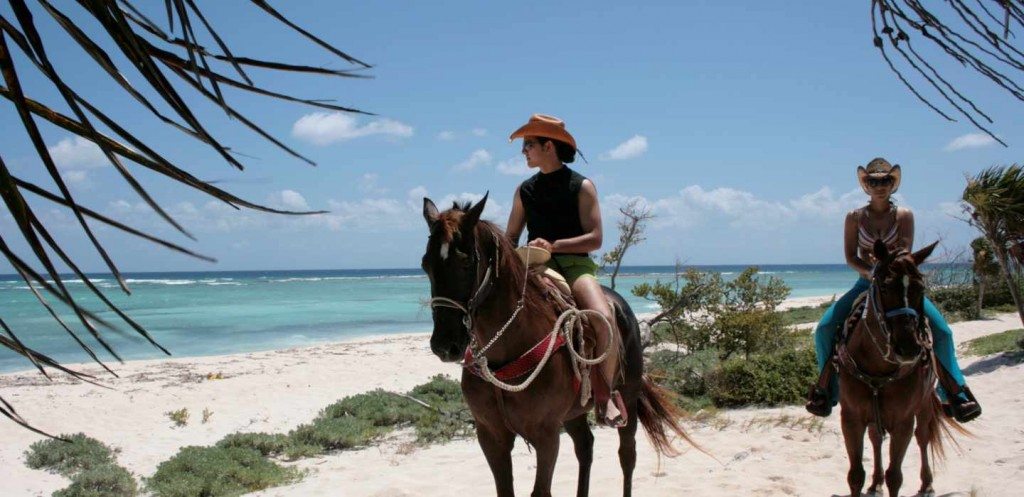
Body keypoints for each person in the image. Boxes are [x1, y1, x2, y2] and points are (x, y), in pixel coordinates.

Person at [805, 158, 982, 423]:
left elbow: (905, 255)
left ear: (892, 184)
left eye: (885, 181)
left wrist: (886, 274)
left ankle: (955, 392)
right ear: (866, 185)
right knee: (824, 328)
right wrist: (871, 273)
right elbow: (850, 257)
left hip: (898, 283)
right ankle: (826, 392)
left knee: (942, 331)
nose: (879, 186)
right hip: (867, 281)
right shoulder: (854, 217)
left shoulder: (904, 215)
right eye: (873, 181)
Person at [505, 114, 626, 427]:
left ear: (548, 146)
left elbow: (596, 238)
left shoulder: (581, 186)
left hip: (575, 266)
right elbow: (510, 238)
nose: (524, 152)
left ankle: (606, 394)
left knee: (603, 317)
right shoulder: (524, 191)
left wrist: (554, 246)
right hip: (534, 267)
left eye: (528, 145)